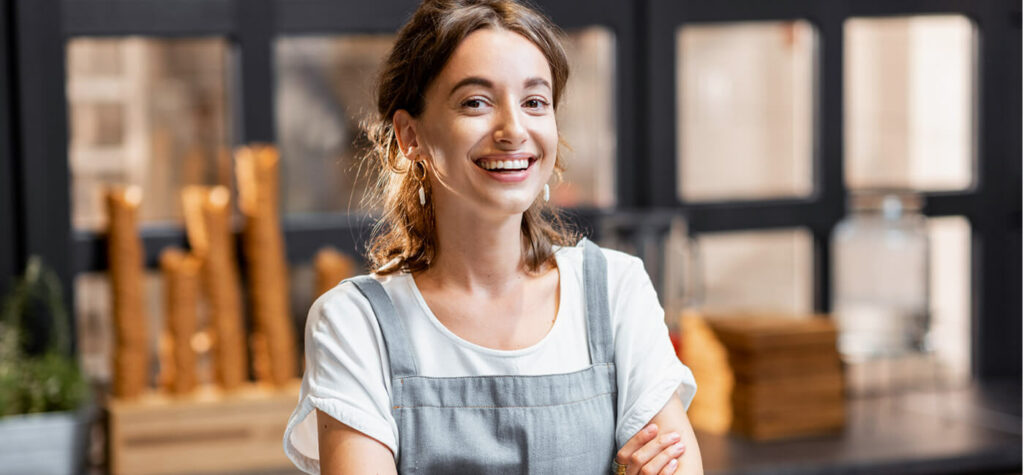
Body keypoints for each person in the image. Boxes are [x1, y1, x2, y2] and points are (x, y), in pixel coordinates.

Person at [282, 1, 702, 473]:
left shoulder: (617, 291)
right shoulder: (355, 325)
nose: (513, 129)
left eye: (535, 102)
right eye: (476, 102)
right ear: (409, 135)